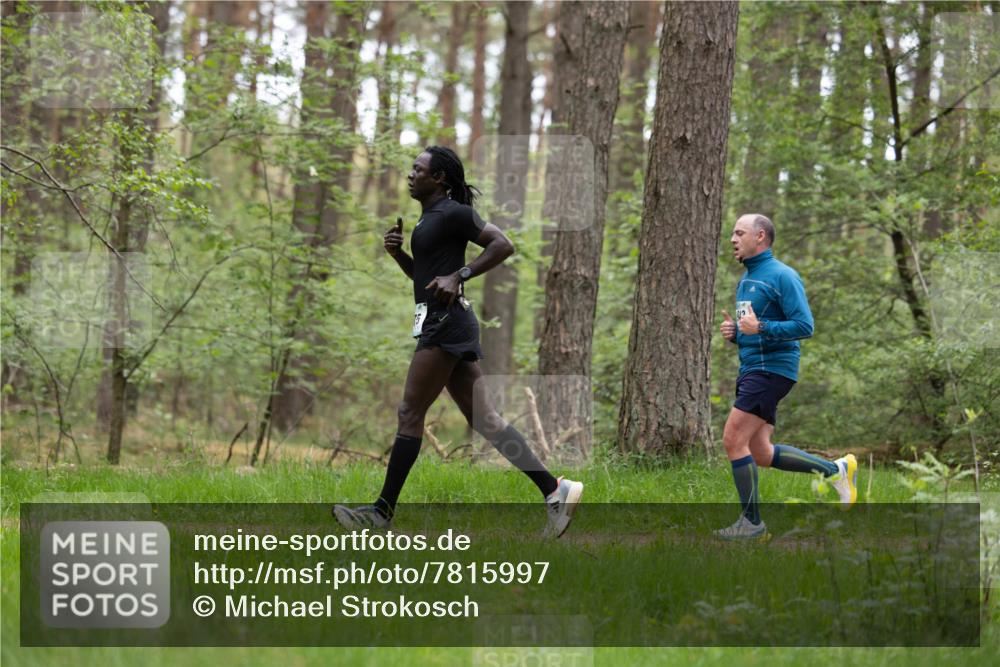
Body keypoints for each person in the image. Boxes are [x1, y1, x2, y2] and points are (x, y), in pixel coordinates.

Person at [333, 146, 583, 538]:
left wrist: (461, 274)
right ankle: (555, 490)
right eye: (411, 168)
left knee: (409, 413)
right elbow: (428, 280)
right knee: (486, 420)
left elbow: (502, 244)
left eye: (419, 169)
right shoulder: (430, 218)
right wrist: (400, 256)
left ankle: (380, 513)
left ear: (440, 178)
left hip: (446, 324)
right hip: (444, 320)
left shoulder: (454, 213)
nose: (410, 174)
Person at [715, 214, 857, 540]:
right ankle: (836, 470)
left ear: (760, 236)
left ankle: (751, 525)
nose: (733, 239)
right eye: (733, 234)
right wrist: (736, 333)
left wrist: (760, 327)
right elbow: (753, 327)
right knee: (761, 452)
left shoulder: (783, 276)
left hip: (771, 370)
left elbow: (804, 326)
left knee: (733, 440)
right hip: (753, 368)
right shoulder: (748, 278)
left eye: (740, 233)